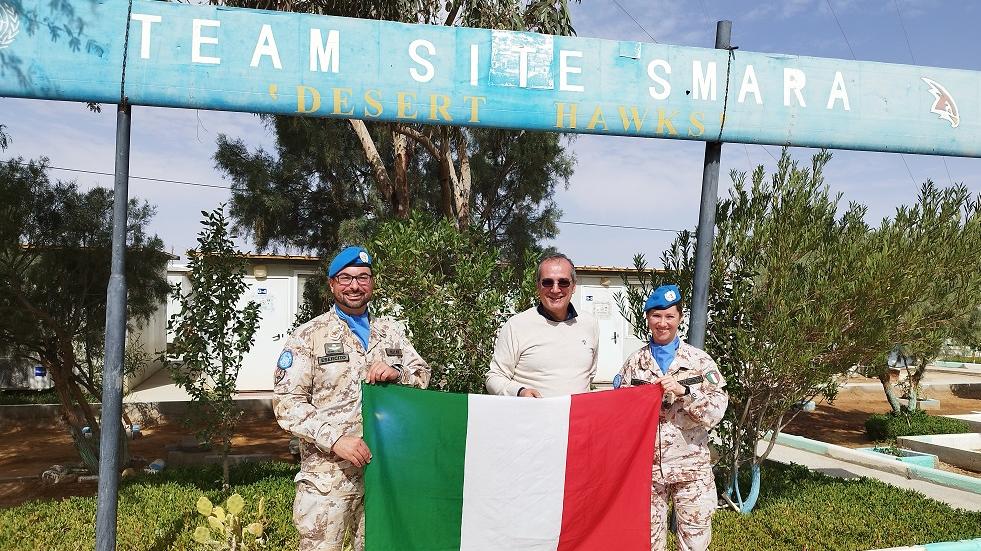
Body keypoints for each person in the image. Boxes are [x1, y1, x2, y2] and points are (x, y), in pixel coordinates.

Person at [273, 246, 430, 551]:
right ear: (332, 284)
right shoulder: (309, 336)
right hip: (328, 480)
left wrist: (398, 374)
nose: (354, 286)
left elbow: (422, 376)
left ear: (372, 283)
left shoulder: (391, 332)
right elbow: (287, 404)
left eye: (362, 277)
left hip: (382, 474)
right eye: (345, 278)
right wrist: (335, 440)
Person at [615, 284, 728, 551]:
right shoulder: (634, 364)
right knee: (648, 543)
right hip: (647, 472)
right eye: (656, 316)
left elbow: (716, 411)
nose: (663, 323)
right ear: (648, 318)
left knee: (694, 544)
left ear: (679, 318)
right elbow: (619, 414)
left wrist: (685, 392)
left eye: (669, 316)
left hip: (691, 470)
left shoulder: (699, 362)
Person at [486, 253, 599, 398]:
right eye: (548, 282)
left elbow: (589, 375)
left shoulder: (590, 324)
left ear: (574, 286)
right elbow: (494, 377)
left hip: (576, 419)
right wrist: (520, 392)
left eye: (563, 282)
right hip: (531, 418)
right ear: (538, 286)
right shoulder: (516, 326)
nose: (555, 289)